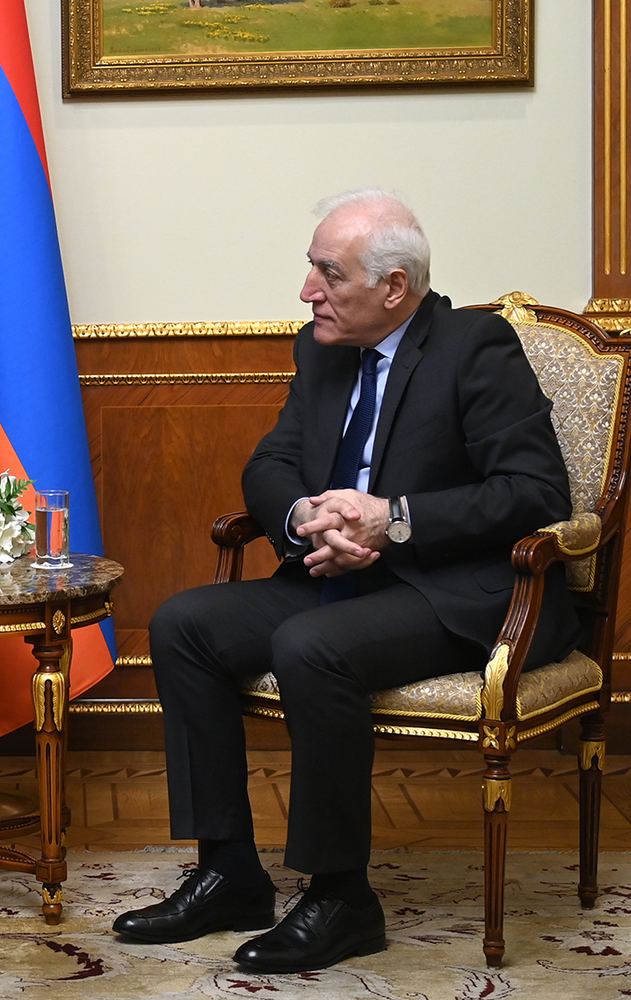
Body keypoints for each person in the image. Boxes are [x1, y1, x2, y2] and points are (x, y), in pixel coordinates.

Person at [112, 190, 576, 973]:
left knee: (311, 644)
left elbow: (535, 494)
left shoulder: (474, 347)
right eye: (312, 269)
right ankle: (228, 873)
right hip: (337, 578)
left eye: (328, 273)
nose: (308, 291)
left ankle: (341, 897)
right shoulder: (322, 348)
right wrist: (305, 518)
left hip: (454, 592)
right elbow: (272, 461)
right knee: (183, 624)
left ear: (394, 287)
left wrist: (392, 521)